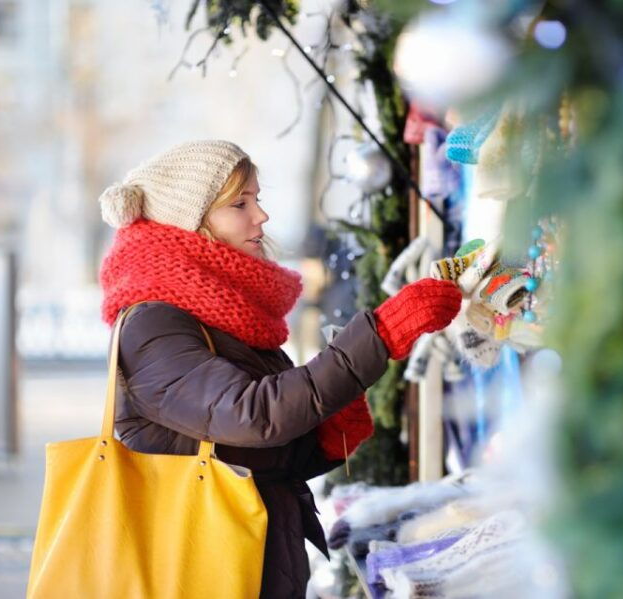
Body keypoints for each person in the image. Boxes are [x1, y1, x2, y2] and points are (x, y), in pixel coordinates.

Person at [96, 139, 461, 598]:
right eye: (240, 204)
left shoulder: (223, 319)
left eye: (257, 199)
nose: (261, 216)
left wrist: (324, 439)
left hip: (258, 563)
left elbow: (257, 456)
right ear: (191, 222)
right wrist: (379, 336)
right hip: (198, 572)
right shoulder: (154, 324)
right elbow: (253, 415)